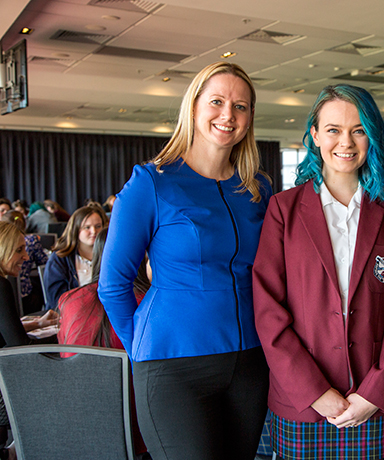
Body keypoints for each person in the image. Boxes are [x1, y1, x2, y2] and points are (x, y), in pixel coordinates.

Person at [98, 61, 272, 460]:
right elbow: (113, 285)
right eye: (217, 101)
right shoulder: (152, 182)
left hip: (249, 363)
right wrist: (142, 348)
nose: (228, 115)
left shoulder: (256, 187)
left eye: (241, 106)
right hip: (173, 368)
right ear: (193, 107)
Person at [253, 84, 384, 460]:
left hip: (369, 397)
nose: (346, 141)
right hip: (302, 399)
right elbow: (268, 311)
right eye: (333, 130)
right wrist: (314, 391)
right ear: (314, 134)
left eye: (358, 130)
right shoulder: (283, 209)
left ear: (372, 136)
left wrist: (375, 391)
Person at [57, 227, 150, 458]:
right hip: (138, 429)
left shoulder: (69, 301)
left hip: (77, 424)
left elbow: (64, 357)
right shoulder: (148, 303)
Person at [44, 206, 107, 310]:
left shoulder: (109, 255)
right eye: (87, 227)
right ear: (76, 229)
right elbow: (56, 299)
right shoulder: (60, 258)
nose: (94, 231)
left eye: (98, 226)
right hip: (71, 314)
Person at [0, 211, 48, 313]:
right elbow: (44, 264)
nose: (26, 256)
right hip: (26, 295)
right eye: (19, 250)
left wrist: (37, 324)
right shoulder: (2, 285)